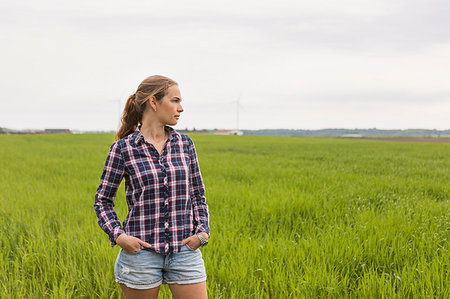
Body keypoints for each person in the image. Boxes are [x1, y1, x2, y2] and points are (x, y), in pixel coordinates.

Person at [93, 75, 210, 299]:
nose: (181, 108)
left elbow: (198, 194)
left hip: (185, 251)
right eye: (175, 100)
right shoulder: (123, 149)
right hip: (140, 255)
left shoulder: (185, 144)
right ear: (154, 102)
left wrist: (203, 231)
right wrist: (119, 236)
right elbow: (102, 201)